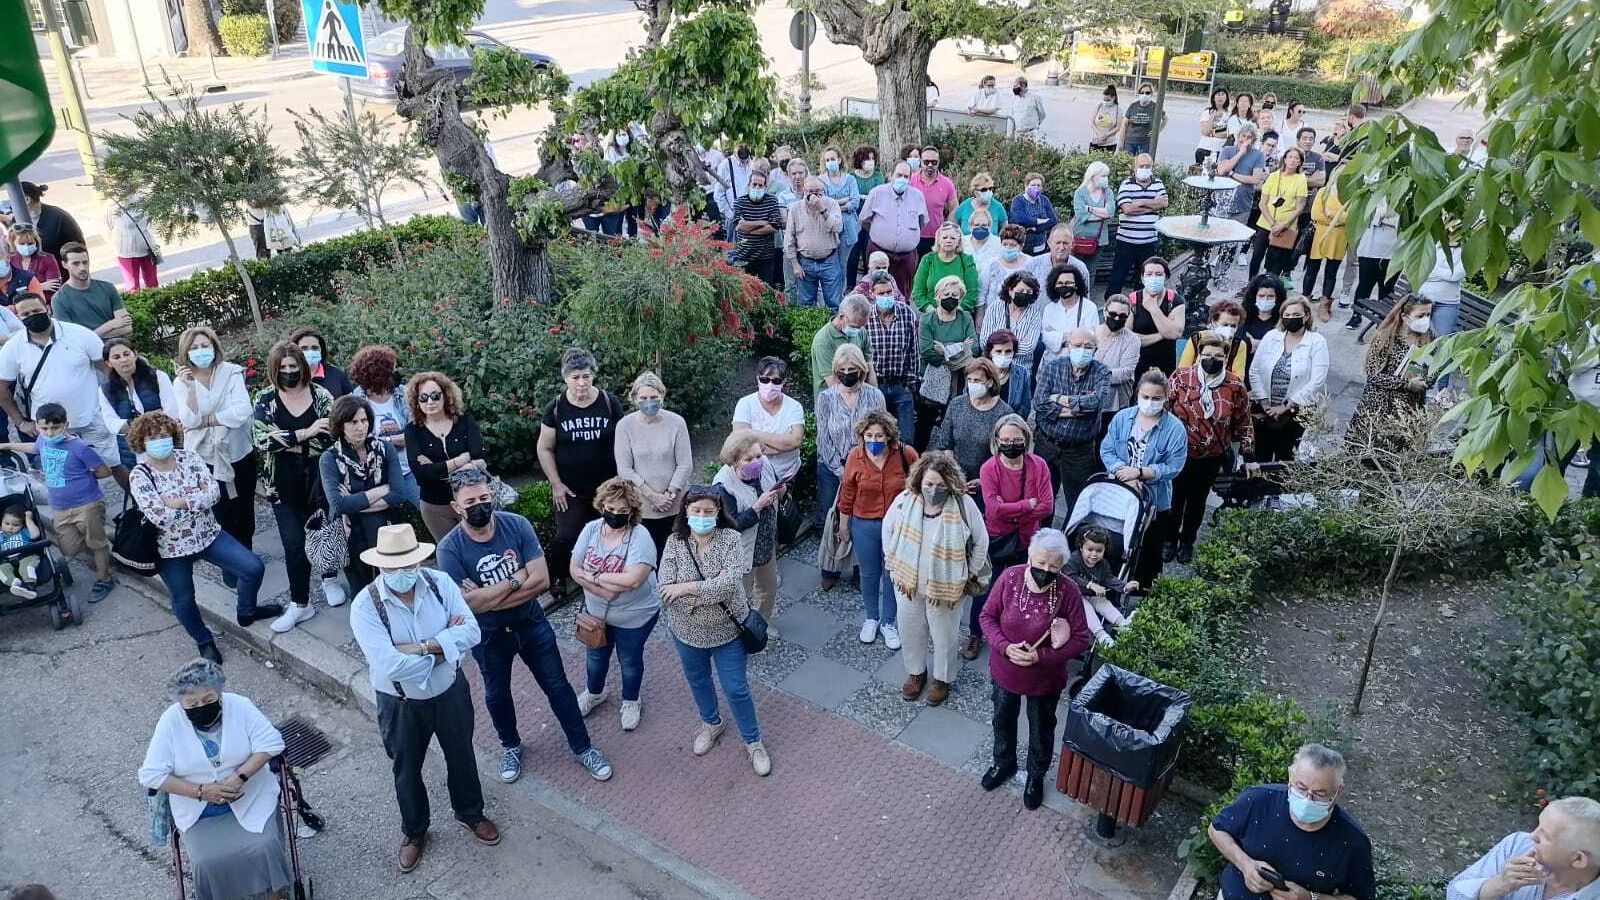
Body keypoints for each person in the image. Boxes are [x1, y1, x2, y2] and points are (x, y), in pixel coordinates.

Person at [434, 471, 614, 785]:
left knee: (558, 687)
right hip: (488, 636)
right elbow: (468, 606)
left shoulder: (516, 525)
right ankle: (511, 746)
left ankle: (583, 747)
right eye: (471, 502)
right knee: (496, 695)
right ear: (456, 506)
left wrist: (487, 594)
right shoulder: (449, 549)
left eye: (484, 498)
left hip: (531, 624)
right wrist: (516, 578)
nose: (480, 506)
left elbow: (542, 581)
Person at [348, 523, 501, 872]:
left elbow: (472, 632)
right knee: (406, 768)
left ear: (418, 561)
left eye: (408, 564)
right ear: (380, 566)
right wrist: (445, 643)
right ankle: (415, 831)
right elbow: (389, 666)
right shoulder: (365, 606)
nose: (402, 573)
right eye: (394, 567)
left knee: (462, 755)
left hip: (450, 691)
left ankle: (470, 812)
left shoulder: (439, 583)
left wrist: (421, 648)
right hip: (400, 703)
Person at [137, 659, 290, 900]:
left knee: (264, 846)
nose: (201, 707)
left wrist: (240, 776)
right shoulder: (170, 721)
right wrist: (201, 791)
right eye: (192, 703)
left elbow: (272, 742)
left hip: (251, 796)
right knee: (206, 861)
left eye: (208, 700)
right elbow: (151, 774)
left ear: (219, 694)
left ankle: (275, 894)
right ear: (181, 704)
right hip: (199, 810)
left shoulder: (239, 706)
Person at [126, 413, 273, 663]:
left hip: (208, 534)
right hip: (169, 549)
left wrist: (178, 502)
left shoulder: (189, 457)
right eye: (153, 438)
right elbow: (159, 515)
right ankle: (204, 641)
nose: (160, 441)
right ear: (142, 442)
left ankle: (247, 611)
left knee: (252, 567)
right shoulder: (140, 475)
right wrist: (195, 499)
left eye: (164, 436)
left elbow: (214, 493)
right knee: (183, 598)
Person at [659, 485, 771, 776]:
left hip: (728, 632)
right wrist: (704, 593)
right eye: (696, 510)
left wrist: (686, 589)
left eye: (708, 511)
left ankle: (753, 741)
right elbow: (664, 588)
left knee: (736, 688)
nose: (702, 516)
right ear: (686, 511)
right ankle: (711, 723)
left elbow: (729, 583)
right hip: (686, 631)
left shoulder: (731, 540)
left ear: (718, 512)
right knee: (698, 680)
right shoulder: (674, 543)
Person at [978, 528, 1090, 809]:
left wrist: (1041, 657)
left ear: (1062, 566)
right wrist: (1005, 647)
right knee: (1002, 719)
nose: (1046, 570)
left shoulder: (1068, 590)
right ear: (1029, 557)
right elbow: (987, 616)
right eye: (1040, 563)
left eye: (1054, 566)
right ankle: (1003, 763)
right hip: (1006, 671)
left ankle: (1035, 776)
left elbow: (1080, 639)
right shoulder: (1010, 578)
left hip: (1045, 678)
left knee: (1041, 728)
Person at [883, 451, 990, 706]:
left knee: (944, 635)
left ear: (950, 483)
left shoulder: (964, 504)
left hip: (947, 587)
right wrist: (894, 566)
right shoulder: (904, 501)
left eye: (941, 485)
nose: (934, 489)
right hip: (908, 584)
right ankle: (916, 673)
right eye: (929, 484)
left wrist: (969, 574)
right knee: (910, 630)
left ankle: (942, 679)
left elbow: (981, 541)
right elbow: (888, 532)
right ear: (919, 479)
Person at [1208, 744, 1376, 900]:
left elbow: (1360, 897)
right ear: (1290, 776)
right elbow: (1217, 829)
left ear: (1338, 792)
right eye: (1301, 788)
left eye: (1319, 794)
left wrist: (1311, 898)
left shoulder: (1353, 841)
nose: (1307, 799)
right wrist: (1245, 864)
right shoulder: (1259, 799)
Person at [0, 294, 126, 490]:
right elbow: (2, 390)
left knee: (114, 466)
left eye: (36, 311)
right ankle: (72, 516)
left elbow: (110, 370)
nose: (32, 316)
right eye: (25, 314)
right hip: (50, 428)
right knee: (58, 478)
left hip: (91, 417)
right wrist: (20, 422)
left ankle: (141, 509)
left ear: (47, 308)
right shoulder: (13, 347)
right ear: (19, 317)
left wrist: (118, 406)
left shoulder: (80, 334)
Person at [252, 342, 336, 631]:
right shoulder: (265, 398)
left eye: (293, 366)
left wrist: (286, 439)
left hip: (319, 476)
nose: (289, 372)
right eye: (283, 368)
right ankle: (301, 603)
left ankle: (329, 577)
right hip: (282, 483)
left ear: (303, 366)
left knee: (324, 530)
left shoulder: (321, 395)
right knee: (293, 544)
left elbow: (330, 437)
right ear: (275, 370)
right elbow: (261, 440)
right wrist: (307, 432)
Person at [569, 476, 661, 732]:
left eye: (622, 511)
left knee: (629, 660)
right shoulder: (591, 529)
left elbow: (633, 580)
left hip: (635, 615)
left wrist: (594, 577)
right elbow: (573, 568)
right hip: (597, 612)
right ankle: (594, 692)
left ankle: (631, 700)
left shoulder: (639, 536)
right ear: (602, 505)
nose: (615, 515)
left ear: (632, 511)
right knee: (595, 657)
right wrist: (605, 587)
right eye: (610, 509)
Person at [1164, 334, 1257, 563]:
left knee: (1197, 502)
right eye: (1206, 355)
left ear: (1225, 358)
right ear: (1198, 356)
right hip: (1178, 453)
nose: (1211, 360)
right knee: (1173, 499)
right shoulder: (1181, 377)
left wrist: (1249, 455)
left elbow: (1244, 422)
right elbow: (1163, 410)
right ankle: (1169, 539)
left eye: (1217, 356)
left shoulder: (1235, 386)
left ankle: (1188, 541)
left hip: (1211, 456)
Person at [966, 415, 1052, 660]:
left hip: (1027, 539)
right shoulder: (989, 468)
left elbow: (1046, 507)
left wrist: (1009, 509)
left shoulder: (1039, 466)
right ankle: (976, 634)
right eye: (1005, 439)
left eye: (1016, 439)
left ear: (1026, 439)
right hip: (996, 537)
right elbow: (993, 510)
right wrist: (1026, 505)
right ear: (996, 441)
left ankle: (1017, 634)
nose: (1011, 444)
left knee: (1024, 588)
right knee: (986, 588)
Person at [538, 348, 623, 587]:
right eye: (575, 378)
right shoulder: (555, 409)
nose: (581, 382)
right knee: (567, 535)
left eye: (586, 376)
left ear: (593, 375)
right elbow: (544, 448)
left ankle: (607, 571)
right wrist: (556, 484)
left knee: (609, 531)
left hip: (607, 487)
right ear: (565, 378)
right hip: (571, 488)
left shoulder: (609, 403)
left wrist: (621, 481)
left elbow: (624, 440)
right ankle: (558, 576)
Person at [321, 394, 416, 596]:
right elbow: (339, 505)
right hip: (349, 531)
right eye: (353, 421)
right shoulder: (329, 459)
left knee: (391, 585)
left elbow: (398, 494)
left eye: (364, 420)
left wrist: (355, 500)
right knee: (362, 591)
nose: (360, 427)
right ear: (340, 425)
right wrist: (381, 490)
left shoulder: (385, 448)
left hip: (385, 525)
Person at [837, 410, 916, 648]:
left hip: (897, 525)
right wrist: (844, 524)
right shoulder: (855, 456)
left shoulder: (905, 453)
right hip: (864, 523)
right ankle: (871, 617)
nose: (874, 440)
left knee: (892, 574)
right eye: (869, 435)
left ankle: (889, 622)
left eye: (879, 435)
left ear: (889, 435)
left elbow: (919, 485)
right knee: (869, 573)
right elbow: (847, 491)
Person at [174, 326, 257, 554]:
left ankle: (247, 556)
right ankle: (232, 562)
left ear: (214, 347)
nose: (200, 351)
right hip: (205, 460)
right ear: (186, 352)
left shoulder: (231, 373)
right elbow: (189, 420)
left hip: (238, 452)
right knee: (220, 514)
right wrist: (191, 390)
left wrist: (208, 420)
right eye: (194, 348)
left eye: (204, 346)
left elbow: (241, 411)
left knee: (244, 512)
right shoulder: (181, 383)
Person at [1102, 371, 1188, 583]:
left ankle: (1143, 595)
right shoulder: (1122, 418)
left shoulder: (1175, 429)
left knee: (1148, 553)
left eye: (1156, 398)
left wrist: (1140, 473)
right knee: (1115, 544)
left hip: (1154, 501)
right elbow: (1107, 450)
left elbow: (1174, 467)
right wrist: (1125, 474)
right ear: (1138, 394)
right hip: (1119, 493)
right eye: (1146, 397)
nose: (1150, 402)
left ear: (1166, 397)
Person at [1446, 796, 1600, 900]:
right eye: (1538, 825)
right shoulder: (1519, 844)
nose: (1532, 835)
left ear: (1578, 859)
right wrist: (1499, 884)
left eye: (1545, 836)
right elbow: (1454, 893)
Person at [815, 343, 886, 563]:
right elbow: (823, 436)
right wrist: (840, 469)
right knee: (831, 516)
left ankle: (858, 565)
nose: (847, 374)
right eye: (842, 370)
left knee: (861, 516)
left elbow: (882, 432)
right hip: (833, 466)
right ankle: (830, 565)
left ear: (861, 370)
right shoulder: (826, 398)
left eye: (851, 370)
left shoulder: (874, 396)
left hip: (867, 465)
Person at [614, 371, 694, 556]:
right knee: (646, 557)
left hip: (675, 504)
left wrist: (669, 494)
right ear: (634, 399)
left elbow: (685, 464)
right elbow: (625, 469)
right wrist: (653, 496)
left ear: (662, 396)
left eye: (653, 397)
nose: (649, 402)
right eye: (643, 398)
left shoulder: (677, 423)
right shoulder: (625, 426)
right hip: (642, 506)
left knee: (678, 556)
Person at [712, 433, 785, 632]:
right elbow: (730, 525)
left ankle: (760, 624)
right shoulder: (723, 485)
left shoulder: (766, 465)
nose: (756, 461)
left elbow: (778, 484)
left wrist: (782, 489)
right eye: (749, 459)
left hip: (765, 543)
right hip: (741, 551)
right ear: (734, 461)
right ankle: (736, 630)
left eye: (758, 456)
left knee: (768, 588)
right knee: (739, 594)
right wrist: (756, 508)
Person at [403, 371, 486, 541]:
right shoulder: (413, 431)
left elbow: (480, 460)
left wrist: (437, 467)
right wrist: (460, 461)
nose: (430, 402)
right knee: (450, 555)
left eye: (435, 395)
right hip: (435, 505)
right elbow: (421, 473)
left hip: (472, 500)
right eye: (423, 397)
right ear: (416, 401)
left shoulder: (465, 421)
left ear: (446, 395)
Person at [1033, 326, 1110, 507]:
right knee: (1041, 500)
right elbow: (1039, 402)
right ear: (1068, 346)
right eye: (1077, 345)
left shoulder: (1102, 372)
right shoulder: (1052, 368)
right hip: (1046, 444)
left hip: (1079, 451)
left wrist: (1059, 399)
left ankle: (1071, 535)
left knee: (1077, 503)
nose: (1082, 350)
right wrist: (1078, 409)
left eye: (1088, 346)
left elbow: (1098, 402)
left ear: (1095, 349)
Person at [1249, 297, 1329, 462]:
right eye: (1287, 314)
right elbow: (1254, 370)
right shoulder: (1271, 336)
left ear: (1306, 316)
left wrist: (1286, 406)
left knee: (1285, 457)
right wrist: (1264, 402)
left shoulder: (1317, 342)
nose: (1291, 318)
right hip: (1265, 410)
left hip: (1295, 413)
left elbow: (1317, 380)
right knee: (1259, 456)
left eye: (1296, 314)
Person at [1347, 297, 1436, 443]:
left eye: (1428, 315)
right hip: (1377, 406)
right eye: (1420, 316)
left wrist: (1425, 382)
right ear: (1405, 317)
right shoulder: (1386, 337)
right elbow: (1374, 374)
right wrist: (1405, 384)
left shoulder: (1430, 339)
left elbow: (1435, 368)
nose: (1425, 319)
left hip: (1408, 409)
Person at [932, 357, 1013, 499]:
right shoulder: (957, 405)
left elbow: (1005, 456)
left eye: (977, 381)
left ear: (990, 382)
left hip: (987, 483)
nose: (972, 384)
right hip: (955, 479)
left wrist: (984, 480)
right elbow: (946, 444)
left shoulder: (1004, 413)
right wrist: (955, 476)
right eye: (970, 380)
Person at [917, 275, 979, 448]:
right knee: (924, 424)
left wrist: (945, 349)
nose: (950, 298)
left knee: (953, 421)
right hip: (933, 379)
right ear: (937, 296)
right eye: (946, 295)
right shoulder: (927, 319)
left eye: (954, 295)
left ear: (960, 297)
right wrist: (960, 348)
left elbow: (974, 348)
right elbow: (927, 351)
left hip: (959, 380)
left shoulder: (965, 317)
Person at [100, 337, 177, 469]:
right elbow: (112, 424)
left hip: (163, 441)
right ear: (109, 363)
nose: (123, 360)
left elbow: (172, 412)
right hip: (133, 450)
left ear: (134, 355)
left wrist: (134, 423)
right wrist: (150, 417)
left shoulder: (157, 377)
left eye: (126, 354)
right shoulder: (105, 390)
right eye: (116, 357)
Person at [348, 344, 414, 497]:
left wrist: (385, 439)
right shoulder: (355, 400)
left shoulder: (404, 394)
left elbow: (416, 434)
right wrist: (398, 438)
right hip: (372, 475)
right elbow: (355, 441)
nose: (396, 373)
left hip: (407, 470)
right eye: (393, 369)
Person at [862, 272, 920, 442]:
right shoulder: (866, 319)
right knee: (877, 438)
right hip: (875, 385)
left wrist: (910, 383)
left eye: (889, 292)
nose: (886, 296)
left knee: (906, 439)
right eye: (881, 293)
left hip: (901, 385)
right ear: (872, 294)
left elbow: (913, 350)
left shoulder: (907, 314)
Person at [731, 357, 806, 483]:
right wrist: (783, 445)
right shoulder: (745, 404)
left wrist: (752, 434)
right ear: (757, 379)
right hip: (755, 474)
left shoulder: (794, 406)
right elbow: (741, 442)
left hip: (788, 474)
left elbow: (795, 441)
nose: (769, 385)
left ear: (783, 382)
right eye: (764, 380)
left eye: (776, 381)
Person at [859, 161, 928, 296]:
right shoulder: (877, 193)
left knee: (902, 294)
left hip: (906, 257)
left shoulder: (917, 196)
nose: (902, 179)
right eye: (899, 175)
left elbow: (922, 222)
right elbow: (864, 221)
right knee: (875, 291)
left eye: (906, 176)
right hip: (879, 253)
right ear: (891, 175)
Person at [1106, 154, 1168, 299]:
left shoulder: (1158, 183)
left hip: (1149, 241)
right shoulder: (1126, 184)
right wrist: (1153, 206)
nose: (1144, 169)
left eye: (1148, 166)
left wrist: (1139, 203)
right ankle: (1110, 303)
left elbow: (1164, 203)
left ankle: (1141, 305)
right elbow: (1127, 209)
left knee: (1144, 278)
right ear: (1134, 168)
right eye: (1141, 166)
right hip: (1127, 241)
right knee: (1118, 276)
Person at [1066, 526, 1137, 646]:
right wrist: (1090, 585)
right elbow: (1071, 577)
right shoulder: (1074, 559)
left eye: (1099, 551)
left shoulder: (1102, 564)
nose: (1094, 554)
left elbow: (1109, 579)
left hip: (1091, 594)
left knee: (1102, 602)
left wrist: (1124, 587)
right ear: (1081, 547)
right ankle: (1100, 634)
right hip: (1072, 595)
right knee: (1085, 606)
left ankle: (1123, 623)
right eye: (1090, 550)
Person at [784, 177, 845, 310]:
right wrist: (795, 264)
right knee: (805, 304)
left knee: (834, 304)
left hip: (829, 261)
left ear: (823, 191)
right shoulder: (795, 209)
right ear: (804, 192)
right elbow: (789, 238)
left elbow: (838, 227)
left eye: (818, 192)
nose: (814, 195)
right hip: (805, 262)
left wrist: (822, 210)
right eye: (810, 192)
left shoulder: (832, 204)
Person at [1250, 147, 1310, 278]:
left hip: (1286, 226)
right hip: (1266, 223)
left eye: (1297, 158)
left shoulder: (1300, 180)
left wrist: (1281, 226)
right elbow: (1263, 203)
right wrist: (1273, 224)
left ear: (1300, 162)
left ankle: (1270, 286)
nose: (1293, 160)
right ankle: (1251, 285)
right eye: (1290, 157)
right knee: (1256, 256)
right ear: (1285, 159)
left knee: (1275, 260)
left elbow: (1300, 207)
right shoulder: (1274, 176)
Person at [51, 243, 133, 337]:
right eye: (76, 263)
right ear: (64, 264)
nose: (82, 268)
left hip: (117, 348)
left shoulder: (107, 288)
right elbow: (71, 339)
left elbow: (127, 327)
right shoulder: (59, 299)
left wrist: (92, 335)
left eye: (85, 262)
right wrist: (110, 325)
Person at [1346, 194, 1402, 330]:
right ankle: (1356, 315)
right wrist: (1386, 216)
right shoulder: (1375, 196)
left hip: (1393, 253)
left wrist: (1386, 216)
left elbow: (1402, 222)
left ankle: (1383, 320)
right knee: (1364, 285)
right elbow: (1370, 216)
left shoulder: (1404, 197)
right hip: (1369, 250)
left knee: (1387, 289)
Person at [1124, 257, 1185, 376]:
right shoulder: (1132, 300)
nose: (1154, 278)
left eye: (1158, 274)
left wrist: (1153, 309)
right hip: (1137, 363)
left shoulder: (1175, 301)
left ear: (1166, 277)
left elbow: (1175, 334)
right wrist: (1163, 334)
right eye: (1149, 274)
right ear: (1142, 278)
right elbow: (1128, 338)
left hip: (1165, 363)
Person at [981, 272, 1048, 374]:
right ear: (1010, 290)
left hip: (1021, 370)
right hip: (992, 368)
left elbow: (1029, 347)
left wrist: (998, 348)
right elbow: (984, 341)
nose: (1024, 294)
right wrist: (1014, 345)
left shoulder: (1035, 314)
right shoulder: (995, 307)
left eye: (1028, 292)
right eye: (1021, 291)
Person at [809, 293, 873, 398]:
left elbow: (869, 367)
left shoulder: (861, 332)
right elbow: (833, 383)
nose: (858, 330)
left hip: (859, 398)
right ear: (841, 317)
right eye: (854, 326)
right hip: (832, 402)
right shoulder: (823, 341)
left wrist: (874, 397)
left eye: (861, 326)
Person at [1305, 174, 1350, 320]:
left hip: (1339, 238)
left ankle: (1325, 303)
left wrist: (1332, 215)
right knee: (1312, 269)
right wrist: (1338, 217)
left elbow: (1350, 217)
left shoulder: (1350, 195)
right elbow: (1316, 214)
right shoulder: (1323, 191)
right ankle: (1304, 300)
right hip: (1320, 234)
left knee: (1331, 272)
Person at [1039, 264, 1102, 368]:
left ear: (1076, 285)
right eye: (1060, 283)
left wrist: (1058, 335)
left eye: (1068, 283)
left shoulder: (1089, 308)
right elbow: (1046, 337)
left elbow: (1089, 338)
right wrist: (1074, 337)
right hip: (1051, 363)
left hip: (1078, 364)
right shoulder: (1049, 308)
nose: (1064, 286)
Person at [912, 223, 980, 317]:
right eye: (945, 238)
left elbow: (972, 292)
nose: (948, 241)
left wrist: (956, 312)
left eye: (953, 238)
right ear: (938, 240)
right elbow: (918, 291)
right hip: (931, 314)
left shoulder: (966, 260)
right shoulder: (928, 259)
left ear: (958, 241)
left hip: (959, 315)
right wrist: (931, 310)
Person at [819, 146, 863, 290]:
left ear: (839, 160)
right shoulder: (821, 181)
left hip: (849, 227)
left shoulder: (850, 179)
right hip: (829, 227)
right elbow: (823, 202)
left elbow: (855, 202)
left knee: (843, 263)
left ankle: (841, 293)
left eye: (833, 159)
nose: (830, 162)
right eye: (827, 160)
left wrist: (835, 205)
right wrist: (844, 201)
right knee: (830, 263)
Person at [731, 169, 784, 287]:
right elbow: (738, 227)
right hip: (743, 257)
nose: (757, 187)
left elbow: (774, 227)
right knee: (745, 293)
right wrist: (763, 222)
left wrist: (748, 227)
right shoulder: (739, 202)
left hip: (766, 258)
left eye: (760, 185)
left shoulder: (772, 201)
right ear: (749, 184)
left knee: (766, 292)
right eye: (754, 184)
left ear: (765, 187)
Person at [1177, 300, 1249, 380]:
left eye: (1233, 326)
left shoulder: (1239, 345)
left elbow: (1238, 378)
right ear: (1214, 322)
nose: (1229, 329)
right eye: (1225, 325)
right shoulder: (1197, 338)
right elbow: (1183, 370)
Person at [1095, 297, 1142, 417]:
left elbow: (1125, 373)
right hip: (1088, 400)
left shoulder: (1132, 340)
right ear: (1105, 311)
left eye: (1122, 316)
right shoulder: (1091, 333)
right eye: (1113, 314)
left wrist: (1090, 374)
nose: (1116, 318)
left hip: (1115, 404)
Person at [15, 183, 84, 259]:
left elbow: (79, 246)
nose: (11, 205)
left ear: (27, 199)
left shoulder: (59, 217)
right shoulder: (16, 221)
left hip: (60, 268)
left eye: (13, 200)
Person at [105, 197, 161, 290]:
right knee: (137, 286)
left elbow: (108, 227)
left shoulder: (142, 198)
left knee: (147, 284)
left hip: (144, 248)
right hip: (130, 251)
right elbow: (108, 227)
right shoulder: (111, 204)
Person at [1218, 125, 1268, 227]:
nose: (1245, 139)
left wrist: (1232, 174)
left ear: (1253, 140)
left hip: (1242, 205)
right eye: (1243, 136)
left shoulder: (1258, 155)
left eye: (1249, 137)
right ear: (1238, 136)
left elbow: (1255, 179)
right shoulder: (1227, 150)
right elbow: (1222, 170)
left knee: (1235, 238)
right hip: (1221, 203)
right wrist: (1241, 152)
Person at [910, 146, 958, 255]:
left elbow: (954, 208)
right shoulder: (911, 181)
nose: (930, 165)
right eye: (926, 162)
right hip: (913, 237)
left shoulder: (947, 183)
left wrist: (947, 230)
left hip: (937, 238)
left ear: (939, 162)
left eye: (934, 162)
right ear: (920, 162)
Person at [846, 145, 884, 281]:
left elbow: (879, 195)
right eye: (868, 158)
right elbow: (850, 196)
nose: (870, 162)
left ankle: (871, 282)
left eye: (873, 159)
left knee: (869, 253)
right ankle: (850, 284)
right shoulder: (850, 177)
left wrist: (862, 197)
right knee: (853, 255)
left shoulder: (878, 176)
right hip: (854, 218)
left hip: (872, 219)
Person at [981, 223, 1036, 314]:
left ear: (1021, 246)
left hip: (1023, 315)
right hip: (993, 315)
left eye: (1012, 245)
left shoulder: (1032, 263)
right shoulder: (991, 264)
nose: (1008, 248)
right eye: (1005, 244)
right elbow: (981, 294)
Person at [1028, 225, 1095, 298]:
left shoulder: (1080, 268)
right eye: (1058, 243)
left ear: (1072, 245)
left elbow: (1084, 299)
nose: (1061, 247)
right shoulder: (1033, 265)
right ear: (1049, 243)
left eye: (1065, 243)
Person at [1072, 163, 1117, 269]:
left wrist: (1090, 209)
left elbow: (1110, 213)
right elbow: (1081, 216)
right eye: (1103, 176)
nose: (1105, 179)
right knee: (1076, 270)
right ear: (1092, 176)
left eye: (1106, 176)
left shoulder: (1108, 192)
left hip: (1099, 239)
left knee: (1091, 271)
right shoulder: (1080, 192)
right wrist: (1103, 214)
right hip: (1080, 237)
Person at [289, 327, 353, 399]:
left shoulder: (337, 376)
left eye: (315, 348)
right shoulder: (288, 376)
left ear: (321, 350)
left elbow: (351, 405)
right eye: (304, 348)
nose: (310, 352)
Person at [985, 330, 1034, 420]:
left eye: (1008, 351)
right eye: (998, 351)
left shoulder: (1022, 373)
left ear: (1013, 353)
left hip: (1010, 424)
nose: (1003, 355)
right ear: (990, 353)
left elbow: (1025, 408)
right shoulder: (980, 372)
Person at [0, 504, 46, 598]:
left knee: (26, 567)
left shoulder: (24, 532)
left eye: (16, 525)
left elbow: (35, 535)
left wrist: (28, 519)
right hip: (7, 560)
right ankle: (15, 584)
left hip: (26, 556)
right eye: (6, 523)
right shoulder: (1, 536)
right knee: (1, 570)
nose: (10, 527)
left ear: (22, 524)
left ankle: (30, 587)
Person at [8, 223, 62, 302]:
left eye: (30, 243)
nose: (26, 246)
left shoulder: (48, 259)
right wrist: (40, 286)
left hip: (45, 304)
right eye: (22, 244)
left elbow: (54, 286)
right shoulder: (9, 260)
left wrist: (23, 288)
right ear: (14, 243)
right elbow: (9, 290)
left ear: (36, 242)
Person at [1009, 173, 1058, 256]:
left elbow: (1053, 220)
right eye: (1033, 185)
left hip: (1041, 246)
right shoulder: (1018, 200)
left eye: (1039, 185)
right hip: (1023, 246)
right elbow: (1019, 219)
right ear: (1026, 186)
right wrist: (1038, 221)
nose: (1036, 187)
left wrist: (1035, 229)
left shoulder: (1044, 200)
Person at [1120, 82, 1161, 155]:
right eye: (1142, 93)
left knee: (1142, 164)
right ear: (1138, 94)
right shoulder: (1133, 106)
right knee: (1127, 163)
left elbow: (1165, 119)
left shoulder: (1155, 107)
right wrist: (1121, 142)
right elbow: (1124, 124)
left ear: (1151, 94)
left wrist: (1157, 131)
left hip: (1145, 143)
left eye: (1147, 93)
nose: (1144, 95)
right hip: (1129, 142)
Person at [1196, 87, 1232, 165]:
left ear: (1226, 98)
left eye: (1223, 94)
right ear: (1213, 98)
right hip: (1204, 148)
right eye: (1218, 95)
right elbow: (1205, 132)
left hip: (1221, 150)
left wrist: (1213, 133)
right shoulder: (1207, 112)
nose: (1220, 97)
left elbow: (1229, 132)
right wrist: (1212, 117)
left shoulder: (1230, 114)